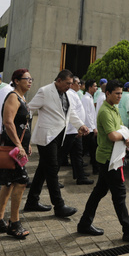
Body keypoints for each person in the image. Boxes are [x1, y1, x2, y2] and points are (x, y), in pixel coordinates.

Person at [77, 80, 129, 242]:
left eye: (121, 93)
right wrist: (127, 137)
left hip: (112, 156)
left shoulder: (113, 108)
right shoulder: (105, 111)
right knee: (119, 194)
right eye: (116, 93)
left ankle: (84, 223)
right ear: (107, 93)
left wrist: (128, 136)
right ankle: (128, 230)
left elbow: (122, 128)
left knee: (99, 191)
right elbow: (113, 135)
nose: (119, 96)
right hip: (110, 159)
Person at [23, 69, 89, 218]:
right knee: (52, 169)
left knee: (43, 169)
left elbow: (70, 113)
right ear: (58, 80)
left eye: (71, 84)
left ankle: (32, 201)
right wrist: (20, 129)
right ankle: (59, 206)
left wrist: (80, 125)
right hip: (46, 136)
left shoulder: (66, 94)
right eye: (67, 83)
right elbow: (29, 109)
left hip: (60, 136)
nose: (69, 86)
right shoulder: (45, 91)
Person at [0, 69, 33, 239]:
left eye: (31, 79)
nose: (30, 81)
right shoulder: (13, 97)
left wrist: (25, 144)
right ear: (16, 80)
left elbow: (22, 125)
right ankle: (14, 223)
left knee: (8, 183)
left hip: (18, 147)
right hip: (12, 148)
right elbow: (8, 122)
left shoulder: (22, 98)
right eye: (26, 79)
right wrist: (18, 144)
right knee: (21, 182)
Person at [58, 77, 93, 185]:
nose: (79, 85)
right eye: (77, 83)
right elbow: (71, 112)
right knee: (60, 156)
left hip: (75, 130)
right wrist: (78, 127)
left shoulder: (74, 94)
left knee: (77, 154)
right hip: (71, 131)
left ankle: (80, 176)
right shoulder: (69, 94)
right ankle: (52, 178)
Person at [80, 79, 99, 175]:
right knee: (84, 150)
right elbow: (87, 115)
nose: (96, 88)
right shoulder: (86, 99)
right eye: (95, 86)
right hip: (88, 129)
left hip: (91, 128)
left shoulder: (90, 98)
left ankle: (95, 169)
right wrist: (93, 127)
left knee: (92, 149)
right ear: (90, 87)